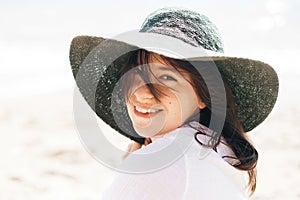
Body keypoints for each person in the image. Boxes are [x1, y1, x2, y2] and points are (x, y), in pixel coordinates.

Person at [70, 7, 279, 199]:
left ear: (204, 95)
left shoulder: (158, 162)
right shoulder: (222, 147)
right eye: (136, 74)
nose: (142, 94)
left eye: (167, 78)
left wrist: (135, 166)